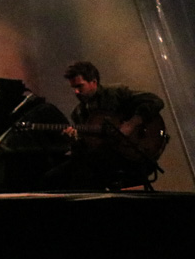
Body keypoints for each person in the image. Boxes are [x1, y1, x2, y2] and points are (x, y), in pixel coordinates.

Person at [43, 61, 166, 191]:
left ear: (94, 82)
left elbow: (155, 101)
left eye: (80, 86)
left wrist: (131, 124)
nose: (77, 92)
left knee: (84, 172)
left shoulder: (115, 93)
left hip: (128, 156)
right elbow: (86, 147)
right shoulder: (79, 113)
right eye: (74, 88)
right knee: (53, 177)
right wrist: (74, 139)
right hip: (104, 159)